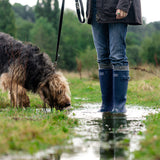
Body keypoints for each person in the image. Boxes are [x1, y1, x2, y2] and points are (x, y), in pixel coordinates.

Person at [86, 0, 142, 113]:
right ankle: (106, 106)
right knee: (102, 57)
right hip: (95, 6)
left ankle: (119, 107)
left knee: (117, 56)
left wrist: (124, 4)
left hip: (116, 5)